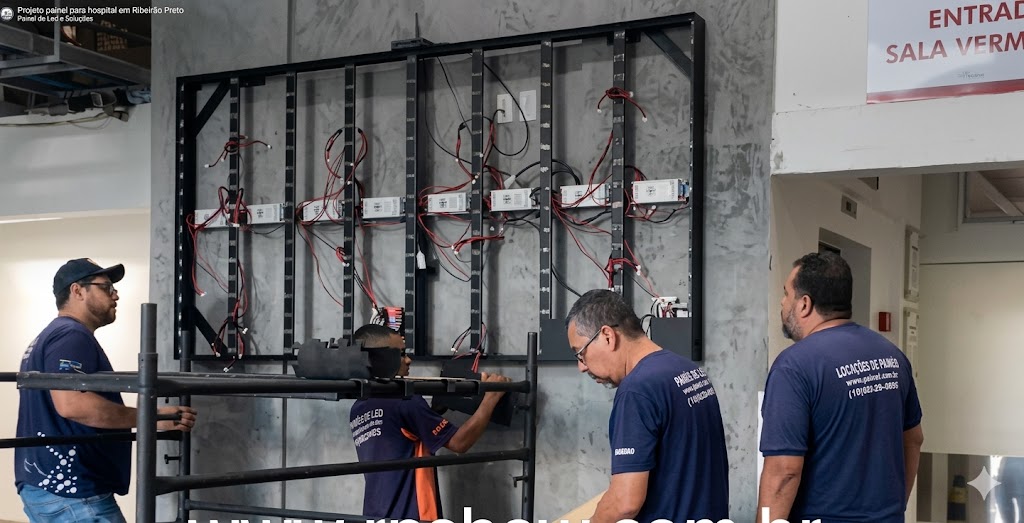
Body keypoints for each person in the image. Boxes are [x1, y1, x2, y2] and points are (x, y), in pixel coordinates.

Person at [15, 258, 197, 523]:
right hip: (74, 493)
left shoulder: (50, 336)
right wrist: (153, 418)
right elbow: (72, 404)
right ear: (77, 291)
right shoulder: (71, 335)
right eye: (106, 287)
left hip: (49, 485)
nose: (115, 295)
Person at [758, 252, 924, 523]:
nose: (782, 301)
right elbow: (913, 440)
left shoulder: (794, 367)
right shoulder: (892, 357)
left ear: (804, 304)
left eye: (786, 293)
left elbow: (783, 472)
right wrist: (894, 509)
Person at [565, 289, 730, 523]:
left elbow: (624, 503)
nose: (582, 367)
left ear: (608, 336)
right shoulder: (688, 370)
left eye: (580, 353)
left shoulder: (636, 391)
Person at [348, 324, 511, 521]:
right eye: (401, 354)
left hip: (375, 515)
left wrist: (434, 412)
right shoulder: (406, 401)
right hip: (412, 515)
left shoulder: (359, 406)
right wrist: (491, 397)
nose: (408, 360)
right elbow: (460, 443)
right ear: (380, 358)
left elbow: (400, 437)